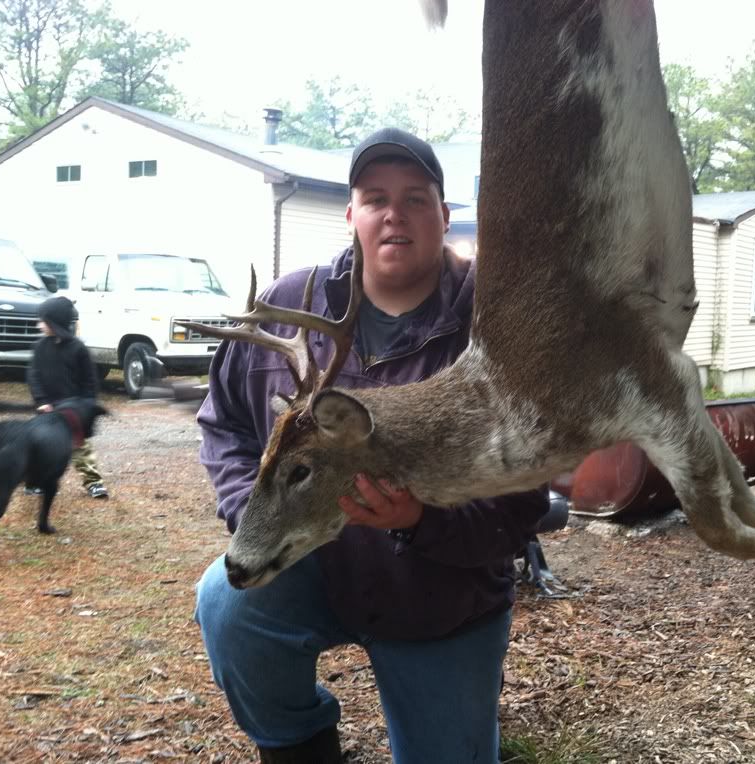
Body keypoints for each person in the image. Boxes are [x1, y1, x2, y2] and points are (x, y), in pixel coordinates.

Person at [193, 127, 548, 763]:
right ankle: (302, 749)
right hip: (319, 568)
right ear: (352, 213)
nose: (395, 214)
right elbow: (223, 424)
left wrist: (420, 522)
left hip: (443, 595)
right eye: (376, 196)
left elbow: (522, 500)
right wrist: (263, 508)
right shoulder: (286, 309)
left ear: (443, 216)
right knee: (226, 604)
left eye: (416, 199)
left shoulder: (496, 323)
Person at [27, 295, 109, 499]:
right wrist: (41, 401)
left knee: (81, 448)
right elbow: (33, 375)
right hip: (47, 410)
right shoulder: (40, 348)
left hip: (73, 412)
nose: (39, 326)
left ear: (54, 322)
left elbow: (89, 382)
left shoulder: (78, 349)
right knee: (40, 447)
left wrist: (86, 406)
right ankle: (34, 482)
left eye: (43, 321)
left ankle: (93, 482)